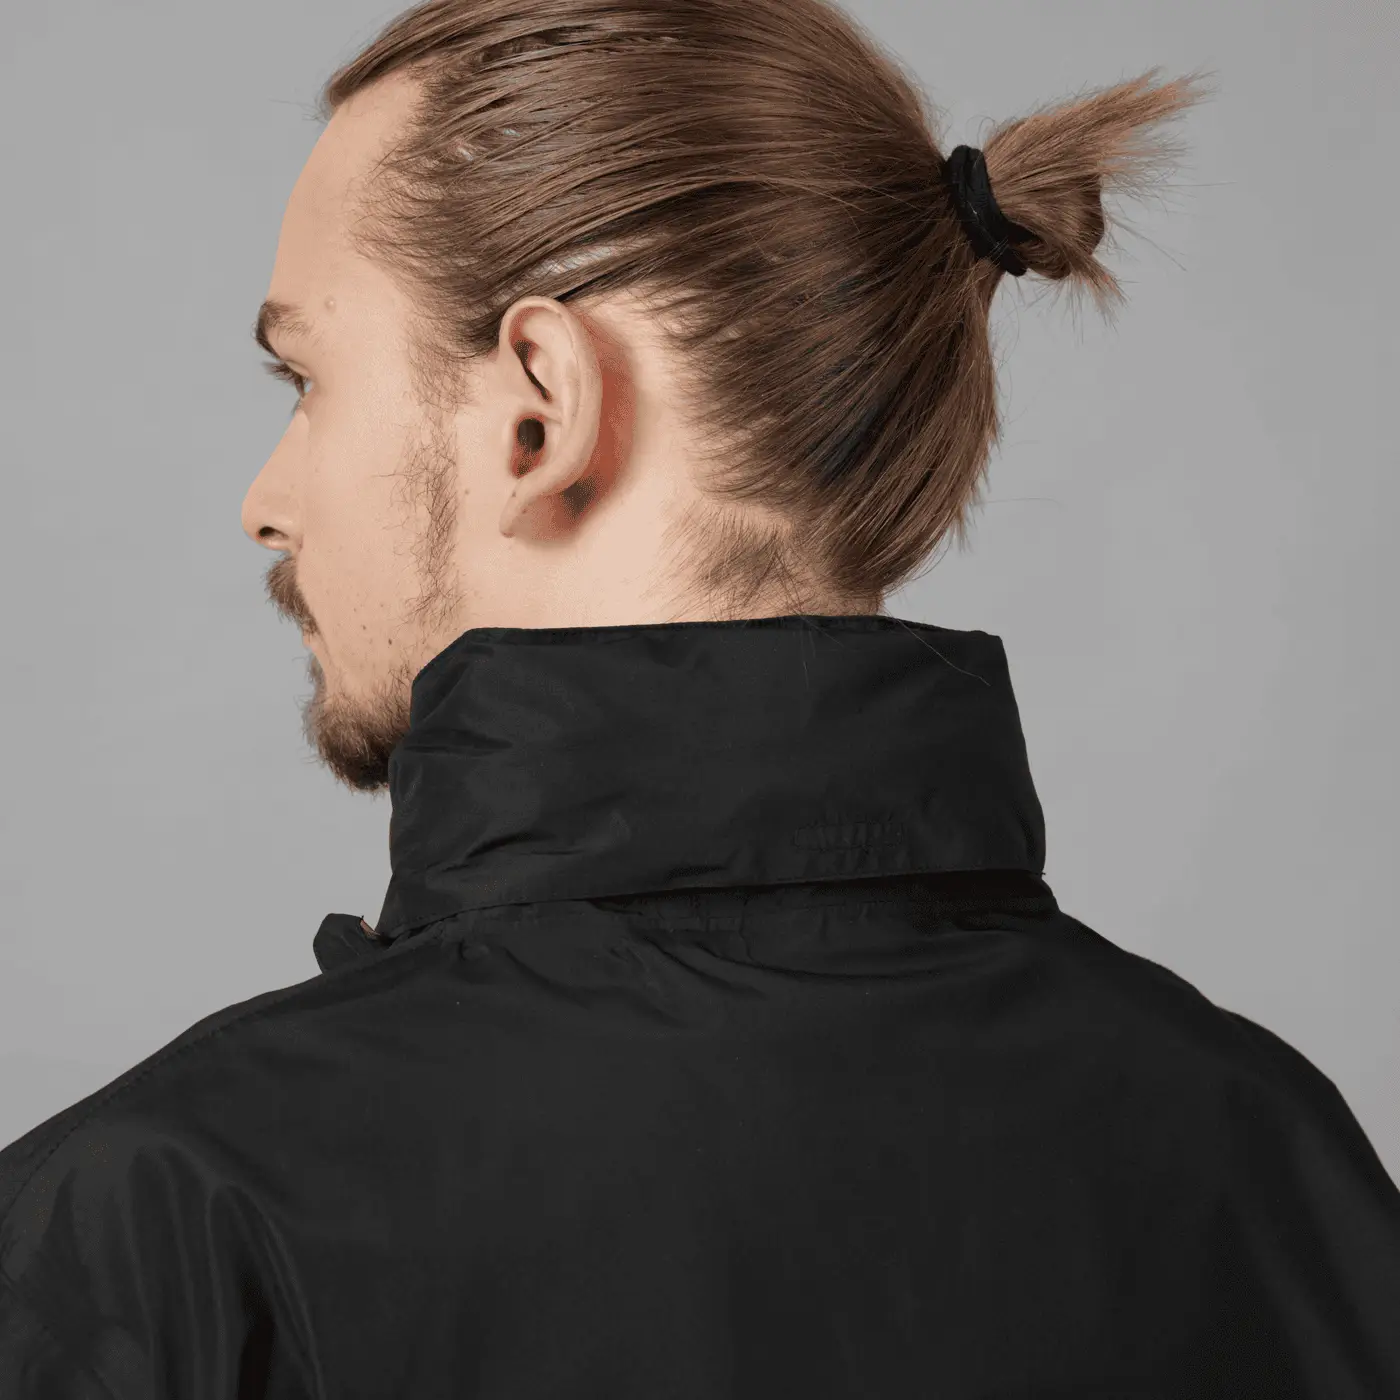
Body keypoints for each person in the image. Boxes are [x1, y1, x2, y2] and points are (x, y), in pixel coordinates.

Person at [3, 0, 1398, 1394]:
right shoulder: (1268, 1161)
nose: (267, 501)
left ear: (539, 409)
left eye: (305, 376)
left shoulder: (167, 1232)